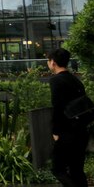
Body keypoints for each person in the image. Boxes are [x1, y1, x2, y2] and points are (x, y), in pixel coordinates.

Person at [48, 48, 89, 187]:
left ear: (53, 62)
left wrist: (55, 132)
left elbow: (57, 107)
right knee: (77, 170)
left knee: (58, 169)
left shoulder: (56, 81)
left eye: (48, 61)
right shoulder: (76, 81)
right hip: (81, 131)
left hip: (66, 132)